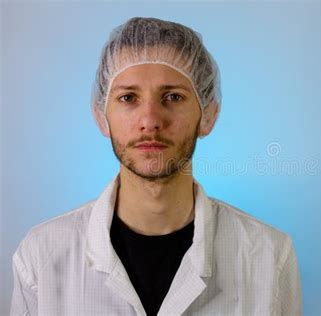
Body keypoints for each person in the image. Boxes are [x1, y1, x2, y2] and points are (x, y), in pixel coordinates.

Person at [10, 17, 302, 316]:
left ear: (208, 115)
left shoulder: (267, 256)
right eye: (128, 98)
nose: (150, 120)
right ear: (101, 116)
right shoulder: (42, 257)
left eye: (173, 97)